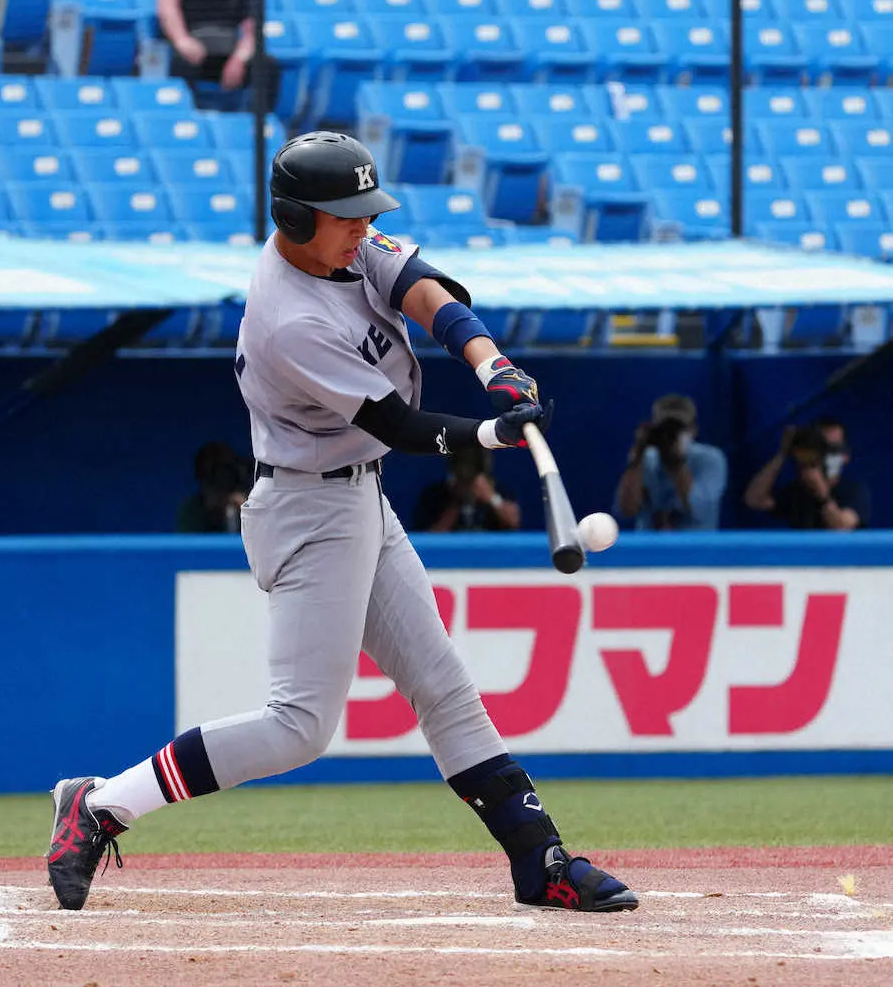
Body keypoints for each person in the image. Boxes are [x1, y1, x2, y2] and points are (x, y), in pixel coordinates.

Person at [46, 131, 638, 917]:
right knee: (298, 726)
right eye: (347, 217)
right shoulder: (288, 320)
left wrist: (493, 365)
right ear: (296, 219)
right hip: (306, 509)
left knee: (445, 689)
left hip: (360, 497)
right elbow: (397, 424)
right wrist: (495, 433)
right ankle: (98, 805)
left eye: (366, 214)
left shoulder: (346, 243)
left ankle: (543, 863)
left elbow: (425, 289)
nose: (363, 227)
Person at [615, 393, 728, 531]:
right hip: (651, 547)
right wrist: (637, 458)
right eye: (665, 429)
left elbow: (699, 509)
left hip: (695, 546)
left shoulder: (710, 459)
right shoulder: (647, 459)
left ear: (693, 430)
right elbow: (627, 510)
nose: (670, 435)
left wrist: (677, 462)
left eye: (678, 429)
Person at [157, 0, 278, 111]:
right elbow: (168, 6)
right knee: (180, 62)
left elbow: (252, 27)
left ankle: (250, 125)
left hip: (228, 51)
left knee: (266, 67)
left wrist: (239, 58)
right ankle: (186, 121)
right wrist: (182, 40)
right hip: (190, 46)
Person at [744, 417, 871, 530]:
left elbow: (842, 527)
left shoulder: (854, 491)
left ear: (845, 456)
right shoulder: (797, 491)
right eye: (822, 448)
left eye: (833, 449)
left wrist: (823, 496)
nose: (826, 455)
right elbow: (754, 500)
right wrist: (783, 454)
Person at [412, 445, 521, 532]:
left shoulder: (498, 491)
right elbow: (428, 541)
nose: (466, 480)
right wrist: (456, 503)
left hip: (490, 555)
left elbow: (513, 523)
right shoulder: (434, 495)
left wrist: (491, 498)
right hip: (450, 555)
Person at [176, 441, 252, 533]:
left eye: (226, 470)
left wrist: (246, 512)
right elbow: (188, 544)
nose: (222, 477)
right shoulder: (191, 510)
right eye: (215, 472)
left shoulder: (247, 505)